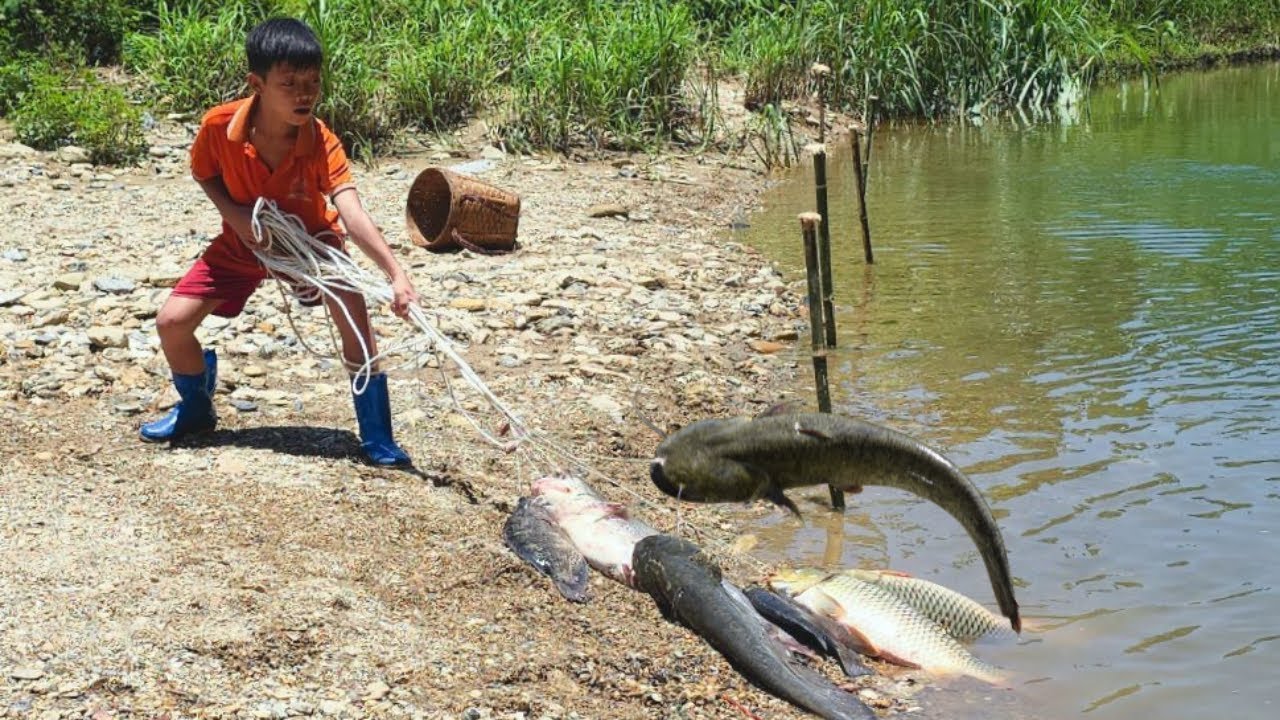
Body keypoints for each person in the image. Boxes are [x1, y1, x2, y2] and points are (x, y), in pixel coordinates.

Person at [139, 17, 419, 467]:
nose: (304, 94)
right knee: (172, 323)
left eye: (312, 82)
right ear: (257, 84)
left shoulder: (322, 141)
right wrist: (235, 216)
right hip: (243, 244)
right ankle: (195, 409)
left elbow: (351, 212)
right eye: (289, 83)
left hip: (313, 247)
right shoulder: (218, 126)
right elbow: (204, 173)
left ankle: (377, 436)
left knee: (356, 323)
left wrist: (396, 274)